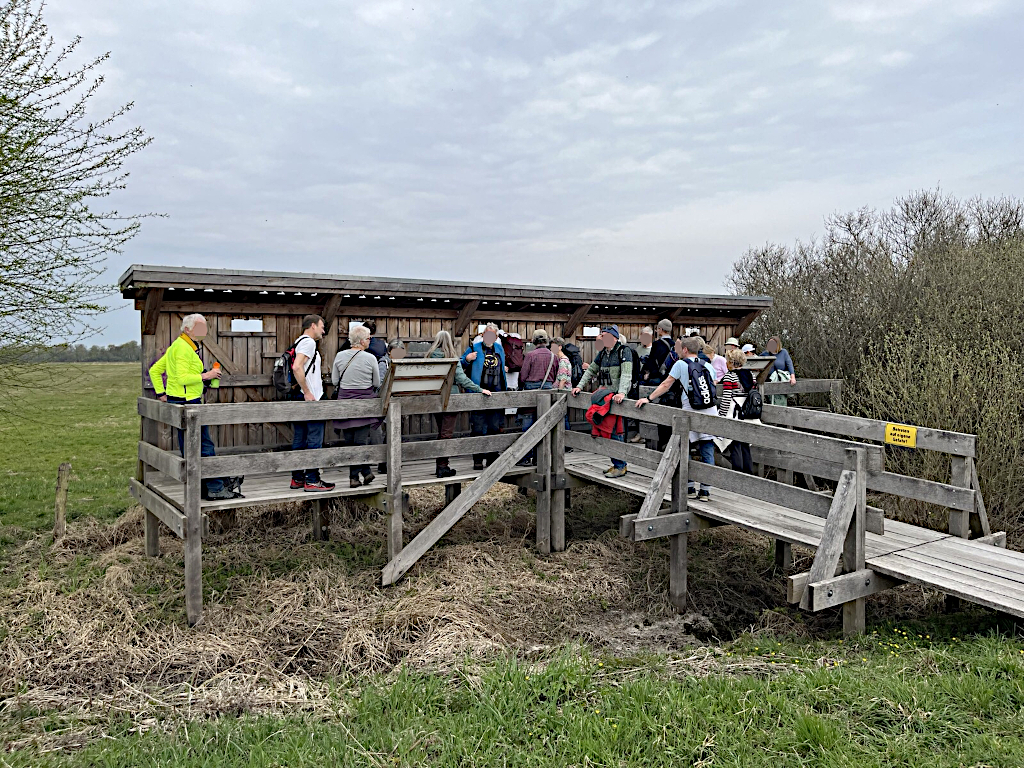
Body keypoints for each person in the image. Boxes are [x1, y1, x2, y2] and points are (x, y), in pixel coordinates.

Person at [149, 313, 239, 500]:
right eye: (200, 327)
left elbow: (155, 370)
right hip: (188, 403)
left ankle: (203, 487)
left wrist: (161, 393)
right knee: (203, 446)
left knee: (191, 447)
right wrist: (207, 376)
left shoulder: (179, 346)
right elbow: (182, 378)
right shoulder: (183, 348)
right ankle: (215, 488)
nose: (204, 330)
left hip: (180, 401)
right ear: (188, 329)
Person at [635, 336, 717, 501]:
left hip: (690, 410)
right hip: (709, 411)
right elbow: (713, 385)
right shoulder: (708, 365)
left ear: (685, 350)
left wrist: (649, 398)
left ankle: (689, 486)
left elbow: (666, 384)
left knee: (685, 447)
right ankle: (705, 491)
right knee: (707, 449)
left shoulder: (680, 364)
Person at [425, 330, 490, 478]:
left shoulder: (428, 356)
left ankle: (441, 465)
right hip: (451, 397)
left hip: (434, 397)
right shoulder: (451, 357)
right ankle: (442, 466)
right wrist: (479, 389)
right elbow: (462, 379)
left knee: (441, 431)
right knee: (446, 433)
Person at [571, 325, 633, 478]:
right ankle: (617, 463)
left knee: (615, 431)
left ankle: (620, 465)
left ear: (614, 338)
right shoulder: (603, 353)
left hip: (616, 399)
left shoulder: (623, 351)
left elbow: (626, 374)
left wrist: (622, 392)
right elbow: (591, 370)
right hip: (604, 397)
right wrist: (579, 386)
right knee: (605, 431)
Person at [288, 314, 335, 492]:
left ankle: (297, 478)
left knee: (299, 437)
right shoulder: (308, 342)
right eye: (322, 327)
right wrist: (308, 392)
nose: (323, 330)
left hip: (299, 396)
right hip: (310, 398)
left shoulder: (298, 342)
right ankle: (312, 480)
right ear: (313, 326)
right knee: (314, 437)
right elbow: (297, 367)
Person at [331, 325, 381, 488]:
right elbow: (376, 383)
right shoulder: (370, 358)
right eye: (368, 338)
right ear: (361, 341)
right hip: (364, 401)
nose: (370, 340)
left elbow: (335, 381)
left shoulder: (339, 356)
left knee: (350, 441)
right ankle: (354, 477)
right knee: (360, 441)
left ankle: (366, 472)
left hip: (345, 401)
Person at [461, 324, 508, 470]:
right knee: (478, 428)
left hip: (496, 394)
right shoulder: (474, 347)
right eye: (487, 334)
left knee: (494, 427)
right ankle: (477, 460)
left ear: (496, 336)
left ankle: (492, 458)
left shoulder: (499, 349)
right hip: (478, 394)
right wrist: (467, 359)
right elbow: (459, 364)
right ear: (482, 335)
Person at [516, 329, 559, 466]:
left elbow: (523, 376)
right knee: (544, 424)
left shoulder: (530, 355)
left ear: (534, 341)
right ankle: (540, 457)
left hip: (531, 391)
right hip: (547, 391)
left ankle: (525, 457)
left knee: (528, 425)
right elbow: (555, 375)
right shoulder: (553, 356)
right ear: (546, 340)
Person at [718, 348, 755, 474]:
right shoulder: (750, 375)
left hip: (733, 413)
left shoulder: (730, 376)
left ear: (731, 362)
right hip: (748, 413)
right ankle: (749, 474)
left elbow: (726, 398)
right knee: (745, 445)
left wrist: (721, 415)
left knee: (735, 445)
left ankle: (738, 475)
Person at [642, 319, 677, 386]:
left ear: (660, 329)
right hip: (671, 378)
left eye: (658, 328)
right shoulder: (674, 344)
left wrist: (648, 373)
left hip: (658, 377)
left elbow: (652, 361)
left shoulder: (656, 344)